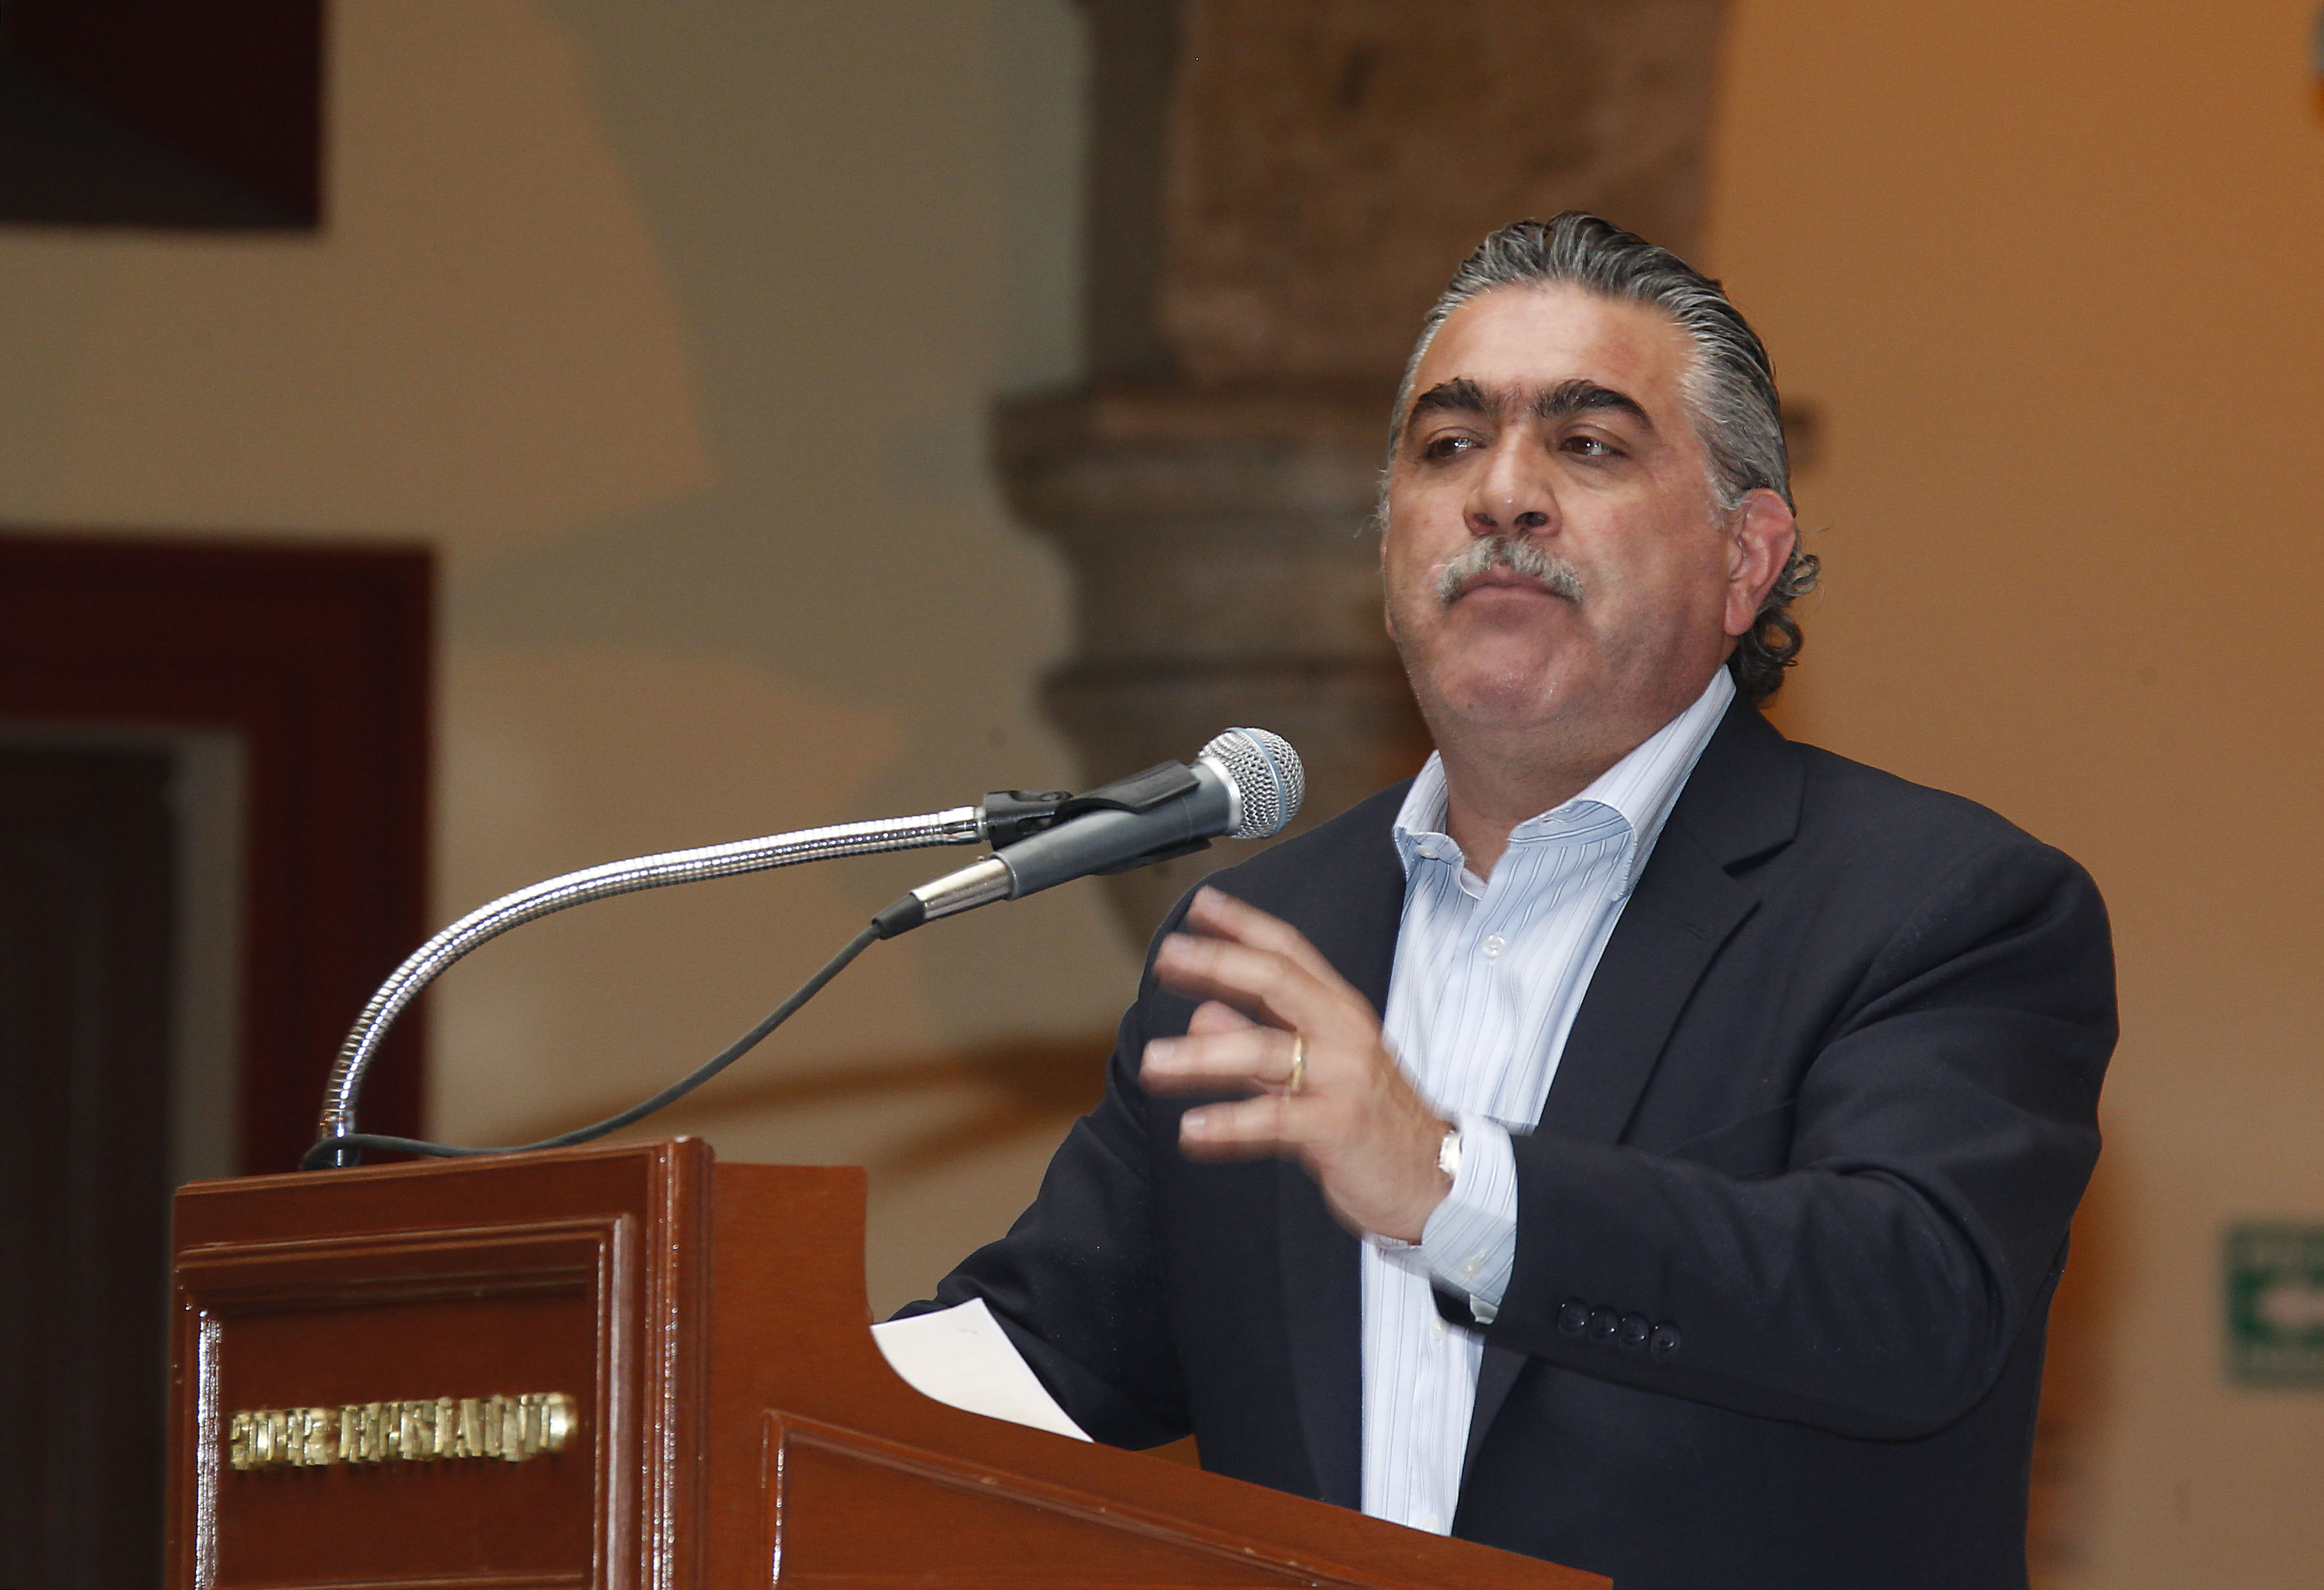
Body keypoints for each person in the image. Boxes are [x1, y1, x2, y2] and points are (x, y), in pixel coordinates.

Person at [906, 213, 2114, 1590]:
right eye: (1447, 444)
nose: (1501, 495)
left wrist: (1446, 1184)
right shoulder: (1262, 942)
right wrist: (710, 1374)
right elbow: (1038, 1357)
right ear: (1387, 551)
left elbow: (1908, 1303)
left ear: (1745, 558)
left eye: (1587, 444)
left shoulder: (1936, 905)